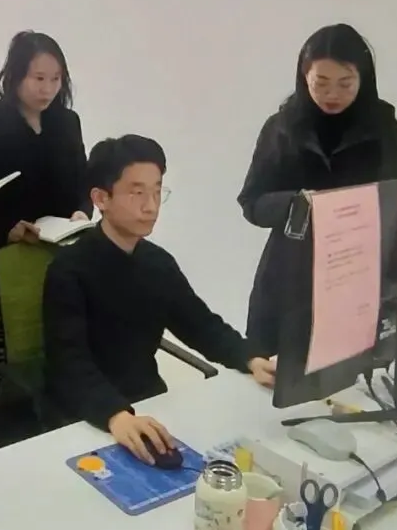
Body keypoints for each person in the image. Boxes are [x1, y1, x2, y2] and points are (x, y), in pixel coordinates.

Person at [43, 135, 276, 464]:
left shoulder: (157, 263)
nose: (151, 206)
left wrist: (249, 357)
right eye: (137, 193)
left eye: (157, 192)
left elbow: (200, 325)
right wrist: (115, 414)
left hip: (148, 402)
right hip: (83, 414)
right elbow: (69, 363)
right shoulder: (69, 269)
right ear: (101, 198)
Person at [238, 23, 397, 357]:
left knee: (346, 372)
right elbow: (251, 201)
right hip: (289, 278)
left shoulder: (385, 132)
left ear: (363, 79)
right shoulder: (281, 128)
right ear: (304, 76)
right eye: (321, 82)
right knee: (277, 372)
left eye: (345, 83)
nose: (332, 94)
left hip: (358, 277)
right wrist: (296, 204)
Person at [0, 31, 91, 405]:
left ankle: (37, 426)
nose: (48, 89)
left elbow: (83, 181)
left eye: (56, 79)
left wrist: (82, 211)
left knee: (46, 354)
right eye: (38, 78)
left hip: (53, 258)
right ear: (15, 76)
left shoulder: (67, 123)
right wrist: (6, 227)